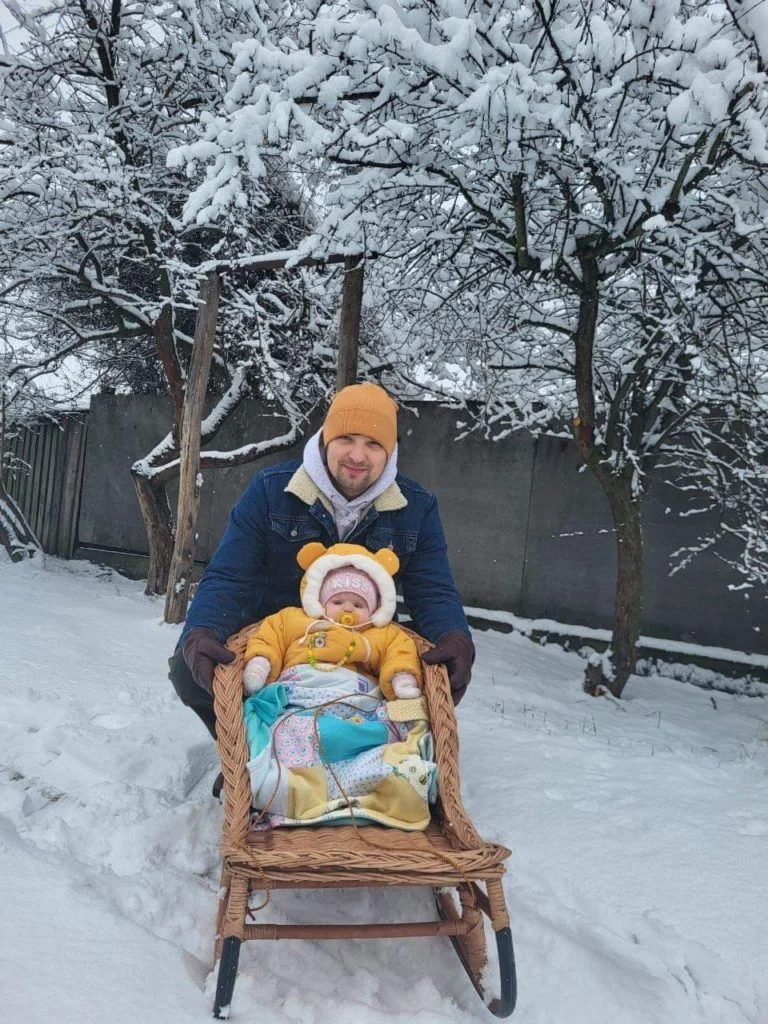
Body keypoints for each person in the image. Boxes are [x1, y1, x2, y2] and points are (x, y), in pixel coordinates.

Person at [169, 382, 475, 746]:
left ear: (390, 451)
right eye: (346, 438)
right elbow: (230, 576)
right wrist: (202, 630)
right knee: (189, 671)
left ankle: (389, 759)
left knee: (422, 680)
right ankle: (252, 752)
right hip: (277, 643)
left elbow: (433, 591)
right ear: (326, 438)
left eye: (374, 444)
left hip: (363, 651)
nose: (358, 456)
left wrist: (455, 637)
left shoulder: (416, 507)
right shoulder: (271, 490)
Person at [242, 541, 423, 700]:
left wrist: (402, 678)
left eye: (359, 605)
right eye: (337, 601)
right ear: (321, 602)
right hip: (298, 689)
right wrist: (261, 663)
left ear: (374, 610)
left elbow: (400, 654)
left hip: (352, 695)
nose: (348, 609)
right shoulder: (294, 619)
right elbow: (269, 637)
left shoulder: (382, 633)